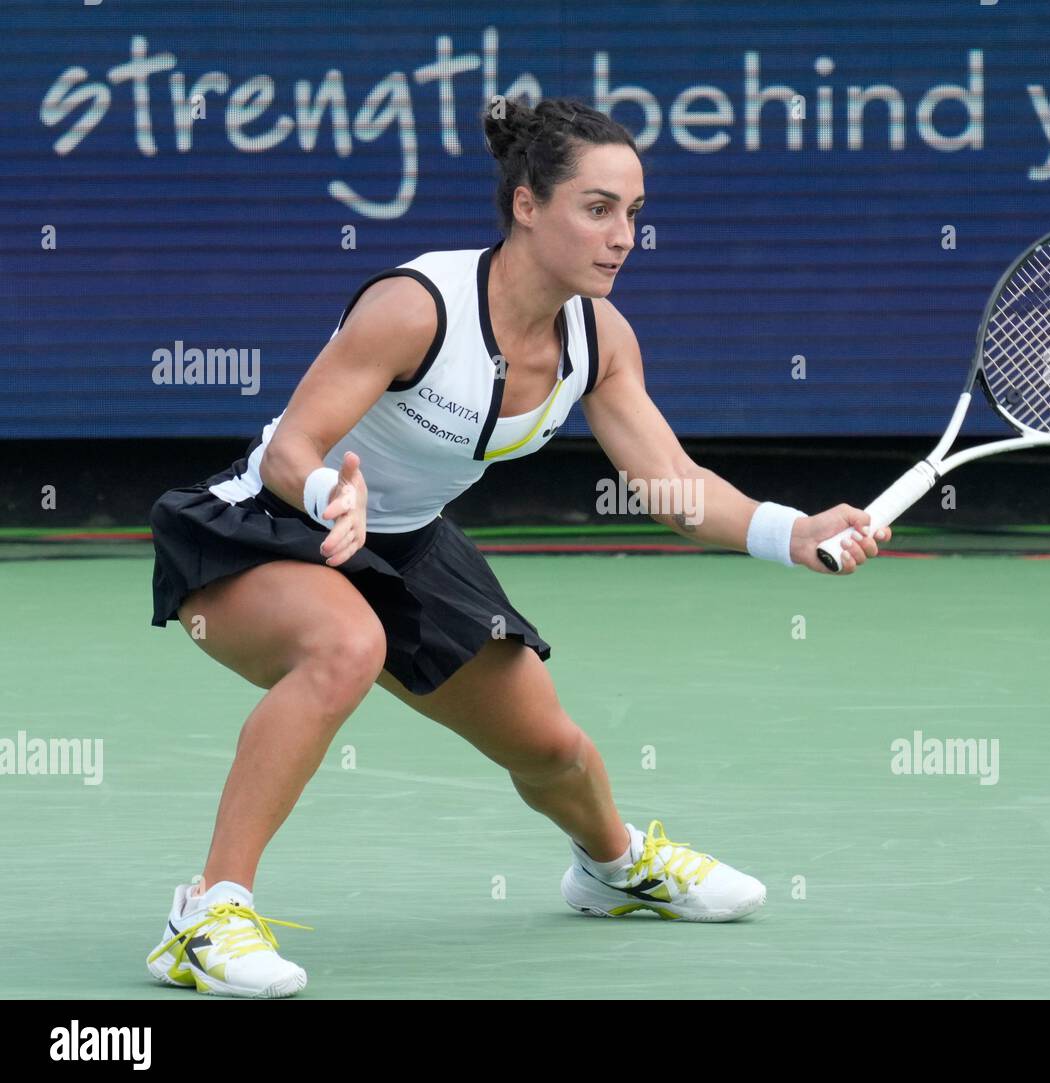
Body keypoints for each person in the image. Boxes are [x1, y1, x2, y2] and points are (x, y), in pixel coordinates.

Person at [144, 95, 889, 998]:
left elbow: (670, 486)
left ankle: (613, 871)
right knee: (346, 646)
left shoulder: (597, 339)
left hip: (408, 546)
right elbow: (297, 447)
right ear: (528, 206)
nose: (623, 236)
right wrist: (327, 494)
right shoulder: (415, 306)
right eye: (598, 208)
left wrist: (791, 530)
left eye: (634, 214)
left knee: (553, 751)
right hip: (268, 522)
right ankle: (208, 913)